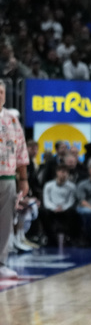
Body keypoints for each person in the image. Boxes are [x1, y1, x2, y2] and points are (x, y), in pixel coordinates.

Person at [0, 88, 30, 277]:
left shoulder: (11, 119)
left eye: (1, 92)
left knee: (5, 222)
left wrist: (24, 179)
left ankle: (1, 263)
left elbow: (21, 151)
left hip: (8, 177)